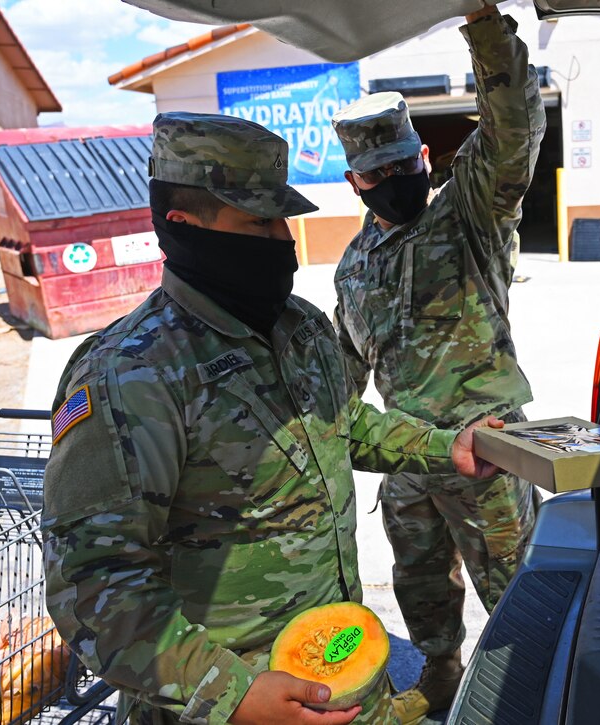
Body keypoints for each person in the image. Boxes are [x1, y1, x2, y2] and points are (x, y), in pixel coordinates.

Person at [42, 112, 504, 725]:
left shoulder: (301, 326)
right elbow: (95, 580)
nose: (283, 238)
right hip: (229, 700)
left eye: (281, 217)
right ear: (184, 227)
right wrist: (229, 693)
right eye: (258, 221)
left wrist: (447, 446)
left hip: (341, 670)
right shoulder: (131, 373)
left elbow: (345, 425)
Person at [329, 5, 545, 722]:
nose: (395, 178)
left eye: (404, 164)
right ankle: (443, 673)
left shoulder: (469, 215)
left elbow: (513, 131)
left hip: (487, 450)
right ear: (356, 183)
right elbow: (343, 369)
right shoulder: (354, 266)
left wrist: (486, 27)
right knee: (421, 586)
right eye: (378, 173)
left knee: (521, 594)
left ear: (425, 158)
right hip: (409, 459)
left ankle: (537, 691)